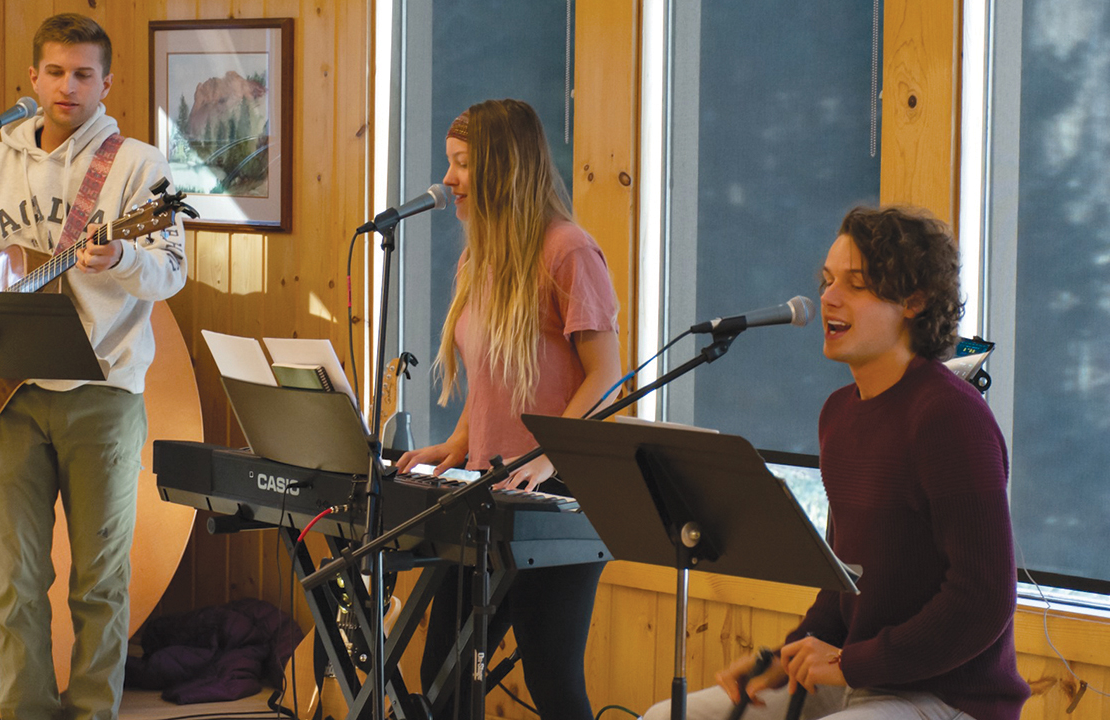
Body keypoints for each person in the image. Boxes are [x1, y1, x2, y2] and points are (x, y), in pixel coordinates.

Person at [0, 14, 186, 720]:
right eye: (55, 72)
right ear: (33, 78)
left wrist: (121, 256)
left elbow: (171, 272)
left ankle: (92, 712)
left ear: (106, 82)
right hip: (11, 391)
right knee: (15, 578)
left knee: (99, 581)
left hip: (103, 391)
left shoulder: (137, 165)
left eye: (84, 74)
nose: (68, 86)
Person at [643, 207, 1029, 720]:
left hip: (947, 696)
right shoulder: (839, 413)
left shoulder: (950, 417)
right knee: (666, 716)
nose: (828, 297)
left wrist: (852, 663)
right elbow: (848, 577)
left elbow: (983, 599)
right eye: (827, 280)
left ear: (913, 302)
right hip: (862, 674)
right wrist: (785, 656)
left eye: (856, 284)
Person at [396, 99, 622, 720]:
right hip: (489, 485)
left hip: (560, 493)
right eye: (450, 163)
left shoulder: (568, 251)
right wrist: (457, 441)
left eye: (463, 164)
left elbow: (606, 375)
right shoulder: (480, 256)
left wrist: (549, 456)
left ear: (505, 166)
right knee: (442, 677)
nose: (449, 179)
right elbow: (493, 378)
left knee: (552, 681)